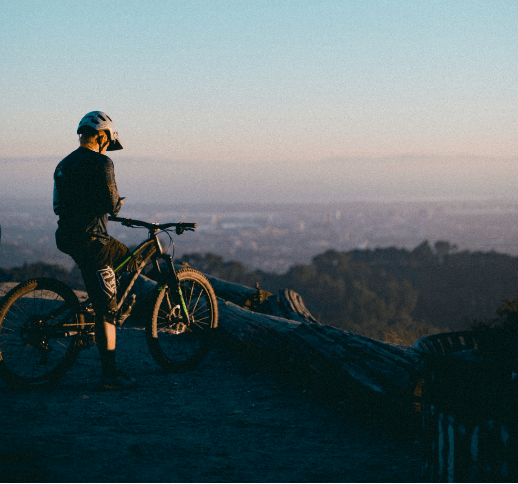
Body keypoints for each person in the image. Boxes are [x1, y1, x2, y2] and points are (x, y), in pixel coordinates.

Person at [53, 111, 137, 390]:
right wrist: (117, 203)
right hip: (93, 239)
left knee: (117, 261)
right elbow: (112, 206)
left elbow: (61, 205)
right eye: (108, 142)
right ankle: (110, 375)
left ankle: (106, 295)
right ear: (102, 136)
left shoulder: (64, 164)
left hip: (66, 235)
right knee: (108, 307)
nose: (108, 148)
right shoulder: (102, 162)